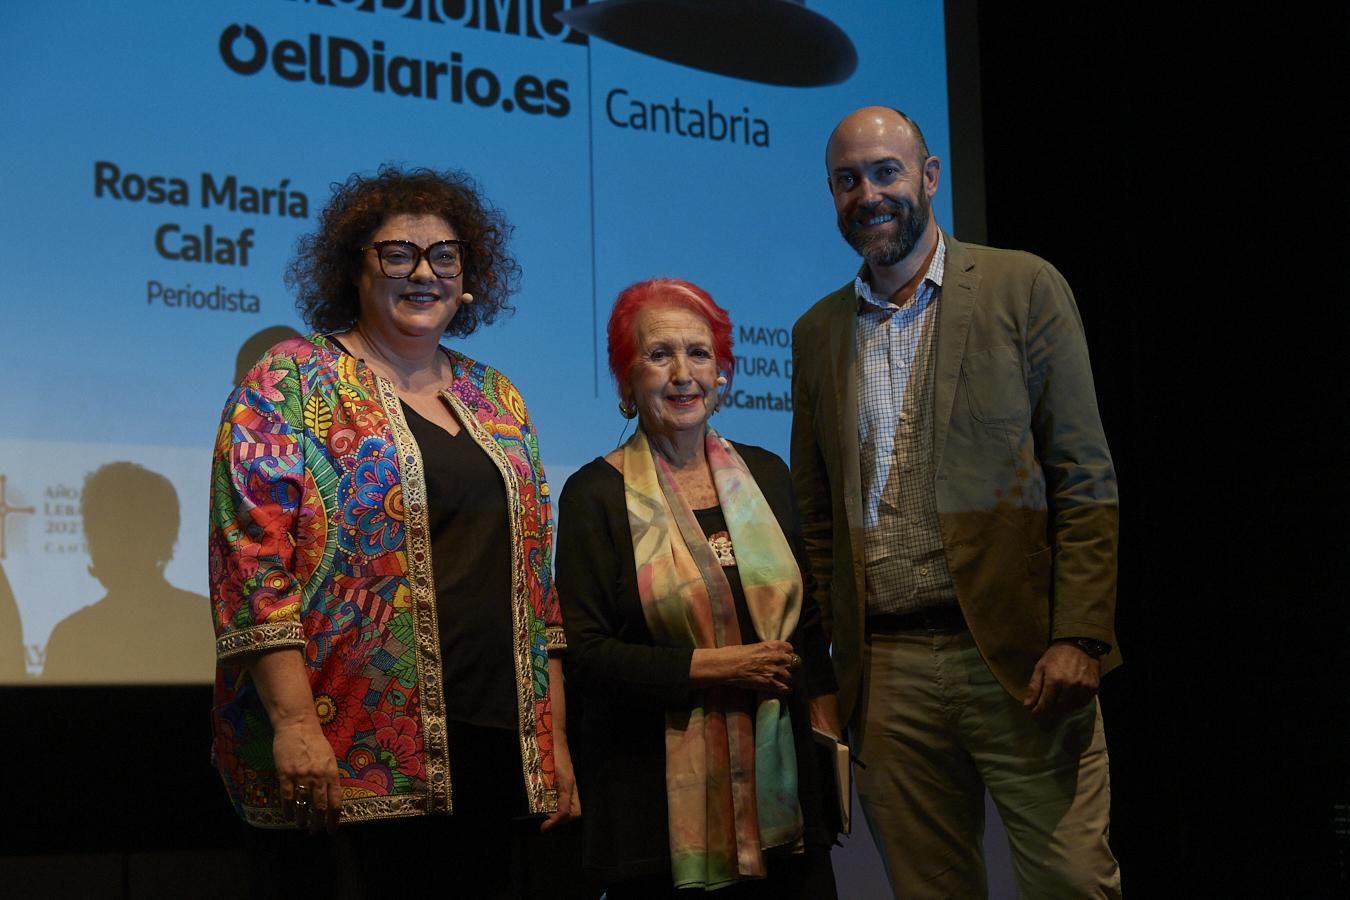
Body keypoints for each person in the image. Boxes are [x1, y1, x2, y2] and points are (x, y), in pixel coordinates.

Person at [208, 165, 579, 898]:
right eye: (398, 254)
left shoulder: (497, 397)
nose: (424, 273)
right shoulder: (290, 381)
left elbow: (538, 587)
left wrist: (554, 738)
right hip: (346, 747)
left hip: (493, 743)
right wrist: (294, 722)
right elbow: (250, 563)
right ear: (354, 268)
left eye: (445, 256)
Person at [790, 106, 1122, 898]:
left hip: (1021, 655)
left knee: (1073, 883)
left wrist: (1080, 634)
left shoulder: (1022, 286)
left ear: (930, 177)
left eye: (886, 172)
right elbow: (816, 514)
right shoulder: (817, 331)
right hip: (887, 673)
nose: (869, 194)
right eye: (847, 180)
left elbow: (1083, 474)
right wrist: (831, 666)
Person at [556, 278, 841, 898]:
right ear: (627, 381)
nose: (683, 374)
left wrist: (831, 748)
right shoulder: (593, 495)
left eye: (699, 354)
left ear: (722, 375)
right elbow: (588, 655)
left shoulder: (768, 474)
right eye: (659, 355)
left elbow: (810, 626)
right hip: (651, 807)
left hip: (786, 801)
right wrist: (721, 667)